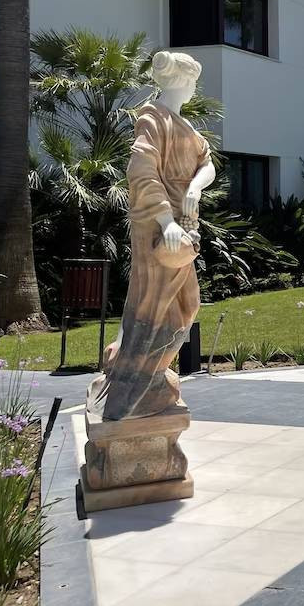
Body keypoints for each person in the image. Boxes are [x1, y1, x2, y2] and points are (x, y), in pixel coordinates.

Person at [87, 51, 215, 421]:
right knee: (155, 305)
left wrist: (195, 187)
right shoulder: (152, 117)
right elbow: (141, 171)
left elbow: (207, 163)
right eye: (193, 82)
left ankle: (145, 372)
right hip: (159, 226)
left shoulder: (186, 126)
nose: (194, 89)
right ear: (184, 82)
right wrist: (166, 221)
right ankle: (136, 381)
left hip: (182, 223)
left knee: (186, 305)